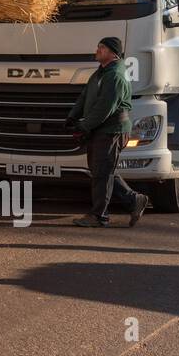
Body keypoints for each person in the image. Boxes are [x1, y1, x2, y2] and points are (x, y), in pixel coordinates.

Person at [65, 37, 149, 227]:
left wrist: (84, 125)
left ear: (113, 53)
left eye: (102, 48)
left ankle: (99, 216)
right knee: (101, 171)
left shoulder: (115, 76)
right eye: (98, 47)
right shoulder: (101, 73)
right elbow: (85, 95)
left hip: (112, 130)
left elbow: (105, 107)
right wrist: (73, 116)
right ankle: (135, 200)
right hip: (101, 128)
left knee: (102, 172)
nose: (97, 50)